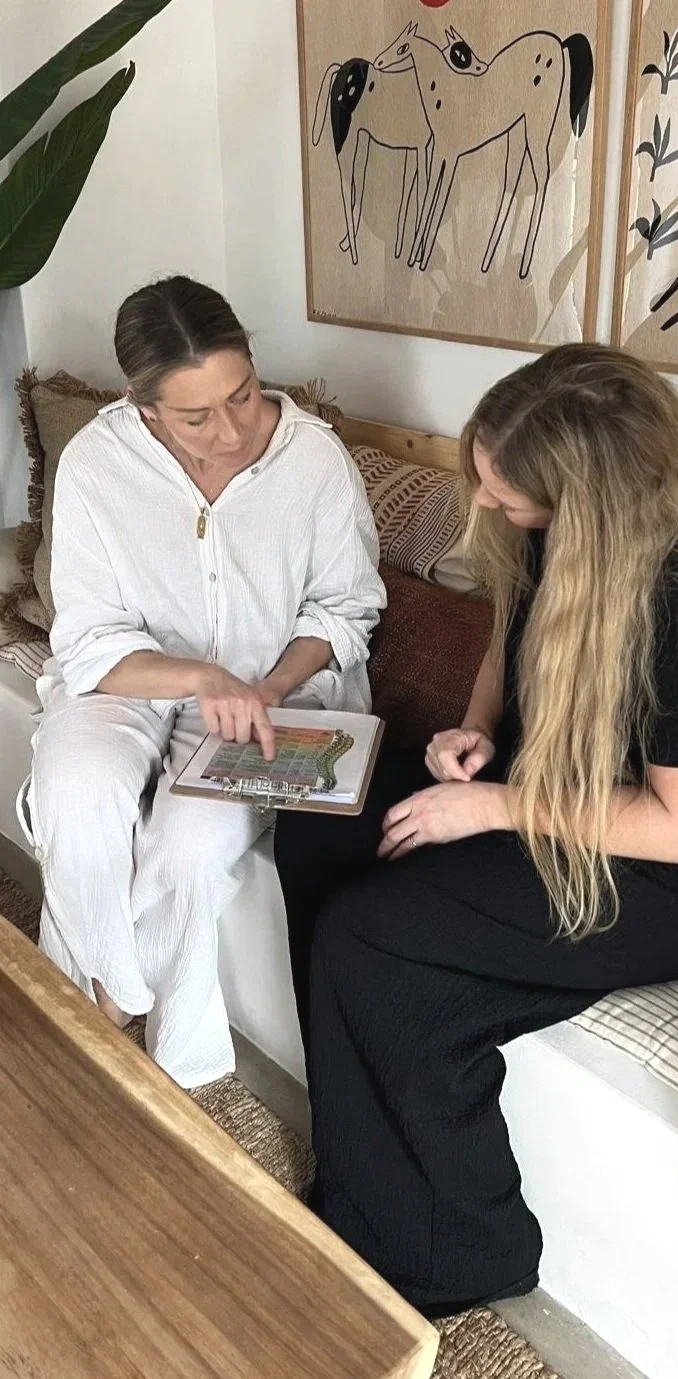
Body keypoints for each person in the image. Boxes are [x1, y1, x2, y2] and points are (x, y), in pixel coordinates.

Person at [274, 343, 678, 1319]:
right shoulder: (564, 533)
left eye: (510, 498)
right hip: (564, 784)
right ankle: (366, 1170)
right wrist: (475, 730)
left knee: (373, 936)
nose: (492, 507)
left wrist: (495, 803)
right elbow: (516, 629)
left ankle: (460, 1249)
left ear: (591, 498)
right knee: (320, 834)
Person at [19, 275, 384, 1089]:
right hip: (131, 682)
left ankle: (154, 1049)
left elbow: (347, 608)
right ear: (141, 406)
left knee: (189, 849)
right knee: (75, 794)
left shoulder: (313, 458)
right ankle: (113, 997)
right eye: (195, 416)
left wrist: (267, 684)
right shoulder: (97, 464)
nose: (230, 431)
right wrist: (199, 675)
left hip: (275, 697)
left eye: (243, 395)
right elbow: (88, 636)